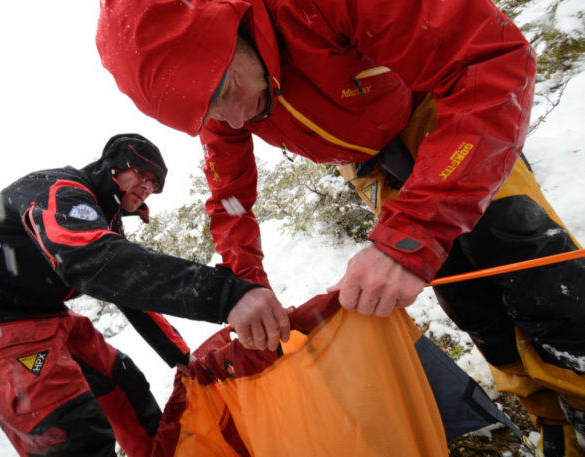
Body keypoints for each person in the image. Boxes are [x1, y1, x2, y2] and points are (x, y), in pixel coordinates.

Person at [96, 0, 585, 455]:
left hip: (443, 109)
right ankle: (550, 415)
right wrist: (247, 286)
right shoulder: (222, 106)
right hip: (365, 161)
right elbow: (231, 202)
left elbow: (490, 59)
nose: (236, 117)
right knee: (466, 296)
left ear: (235, 23)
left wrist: (412, 232)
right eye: (210, 114)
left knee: (525, 258)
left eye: (226, 93)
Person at [0, 133, 290, 457]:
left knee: (124, 382)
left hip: (41, 309)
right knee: (73, 433)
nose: (148, 186)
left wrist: (180, 356)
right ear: (112, 168)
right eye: (142, 173)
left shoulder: (103, 220)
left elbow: (129, 291)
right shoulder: (60, 190)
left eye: (155, 184)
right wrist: (226, 294)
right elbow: (94, 260)